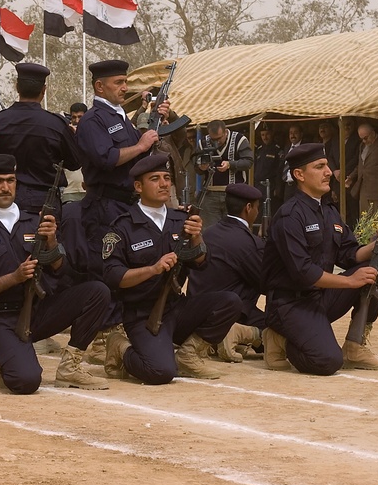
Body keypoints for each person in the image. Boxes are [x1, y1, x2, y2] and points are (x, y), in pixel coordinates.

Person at [0, 155, 110, 393]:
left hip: (39, 310)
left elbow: (65, 275)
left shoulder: (35, 223)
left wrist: (52, 244)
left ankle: (70, 367)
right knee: (26, 382)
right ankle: (3, 356)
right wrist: (13, 278)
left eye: (10, 180)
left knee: (97, 292)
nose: (6, 187)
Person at [102, 153, 242, 383]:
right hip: (142, 314)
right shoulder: (123, 226)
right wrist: (153, 269)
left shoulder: (181, 220)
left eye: (167, 177)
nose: (164, 183)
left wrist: (197, 238)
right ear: (138, 186)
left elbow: (202, 263)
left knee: (229, 302)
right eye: (155, 178)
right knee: (160, 372)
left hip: (177, 307)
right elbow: (113, 276)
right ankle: (120, 348)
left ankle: (188, 355)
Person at [262, 143, 378, 375]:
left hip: (320, 297)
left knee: (373, 272)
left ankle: (355, 347)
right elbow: (302, 272)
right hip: (289, 304)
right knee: (326, 362)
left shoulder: (329, 211)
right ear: (299, 175)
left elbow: (349, 254)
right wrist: (349, 282)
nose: (328, 172)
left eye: (327, 165)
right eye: (320, 167)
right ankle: (279, 339)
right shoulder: (290, 215)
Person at [74, 59, 168, 357]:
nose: (124, 87)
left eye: (125, 82)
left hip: (125, 203)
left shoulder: (121, 117)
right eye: (118, 83)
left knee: (123, 266)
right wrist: (140, 146)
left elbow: (138, 159)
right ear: (99, 86)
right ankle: (101, 338)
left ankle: (117, 331)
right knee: (105, 269)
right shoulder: (93, 120)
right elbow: (106, 158)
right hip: (105, 203)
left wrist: (155, 127)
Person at [187, 183, 265, 362]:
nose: (257, 213)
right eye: (257, 208)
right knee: (284, 330)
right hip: (229, 313)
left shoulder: (208, 233)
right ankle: (237, 334)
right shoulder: (248, 243)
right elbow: (265, 282)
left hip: (197, 312)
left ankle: (218, 340)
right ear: (248, 208)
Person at [0, 63, 82, 214]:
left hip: (4, 197)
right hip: (43, 200)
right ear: (43, 90)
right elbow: (75, 163)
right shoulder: (56, 124)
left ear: (17, 87)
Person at [195, 120, 253, 228]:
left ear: (226, 132)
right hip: (210, 194)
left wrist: (230, 164)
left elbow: (248, 162)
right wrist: (201, 167)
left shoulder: (239, 140)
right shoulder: (203, 143)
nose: (216, 142)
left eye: (219, 138)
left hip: (234, 194)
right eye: (213, 139)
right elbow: (196, 166)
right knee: (209, 231)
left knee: (235, 230)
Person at [345, 123, 378, 217]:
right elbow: (361, 165)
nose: (364, 141)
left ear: (373, 133)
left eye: (366, 138)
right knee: (364, 220)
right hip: (364, 188)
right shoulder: (362, 146)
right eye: (362, 139)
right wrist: (351, 176)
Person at [254, 126, 284, 220]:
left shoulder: (277, 150)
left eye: (267, 134)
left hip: (270, 186)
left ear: (272, 134)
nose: (265, 137)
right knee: (258, 212)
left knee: (270, 212)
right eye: (262, 135)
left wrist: (277, 187)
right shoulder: (259, 149)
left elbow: (280, 170)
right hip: (258, 185)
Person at [61, 102, 88, 205]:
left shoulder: (93, 135)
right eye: (74, 117)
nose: (77, 121)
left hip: (88, 191)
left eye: (80, 117)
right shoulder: (66, 136)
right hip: (69, 193)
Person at [281, 124, 306, 202]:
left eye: (295, 132)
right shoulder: (287, 147)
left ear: (301, 134)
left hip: (299, 186)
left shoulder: (305, 147)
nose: (293, 135)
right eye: (291, 133)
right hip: (287, 186)